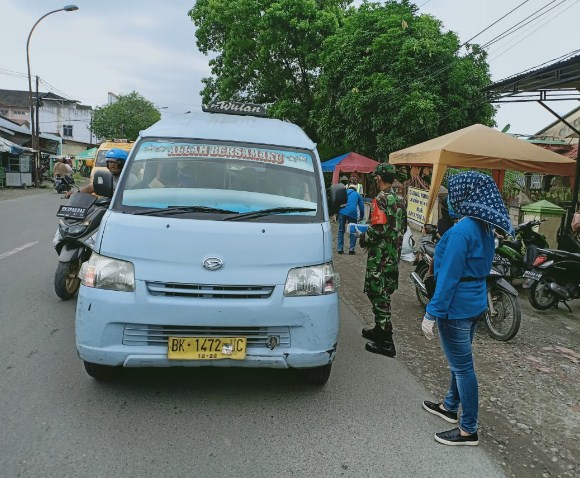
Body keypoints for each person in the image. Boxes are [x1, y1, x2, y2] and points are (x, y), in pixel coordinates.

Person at [421, 171, 514, 447]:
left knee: (463, 369)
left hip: (456, 308)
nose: (451, 199)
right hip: (474, 304)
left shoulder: (462, 231)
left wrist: (431, 313)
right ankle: (450, 406)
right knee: (459, 362)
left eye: (453, 194)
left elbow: (448, 278)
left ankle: (468, 429)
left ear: (465, 196)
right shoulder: (483, 227)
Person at [359, 163, 406, 357]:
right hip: (393, 255)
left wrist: (363, 239)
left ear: (379, 178)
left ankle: (387, 341)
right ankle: (379, 329)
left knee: (378, 294)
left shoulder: (380, 199)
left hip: (380, 256)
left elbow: (377, 229)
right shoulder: (401, 199)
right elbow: (401, 228)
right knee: (382, 290)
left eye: (376, 177)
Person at [337, 183, 365, 255]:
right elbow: (361, 207)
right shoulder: (357, 194)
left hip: (342, 212)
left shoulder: (344, 192)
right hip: (352, 213)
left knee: (341, 230)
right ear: (355, 189)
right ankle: (351, 250)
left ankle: (340, 249)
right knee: (353, 230)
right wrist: (361, 216)